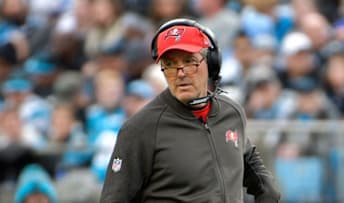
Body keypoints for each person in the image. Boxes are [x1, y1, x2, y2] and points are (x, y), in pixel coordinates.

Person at [100, 18, 280, 202]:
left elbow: (259, 179)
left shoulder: (231, 113)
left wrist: (268, 193)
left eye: (189, 61)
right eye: (170, 64)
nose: (180, 72)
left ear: (210, 63)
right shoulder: (140, 128)